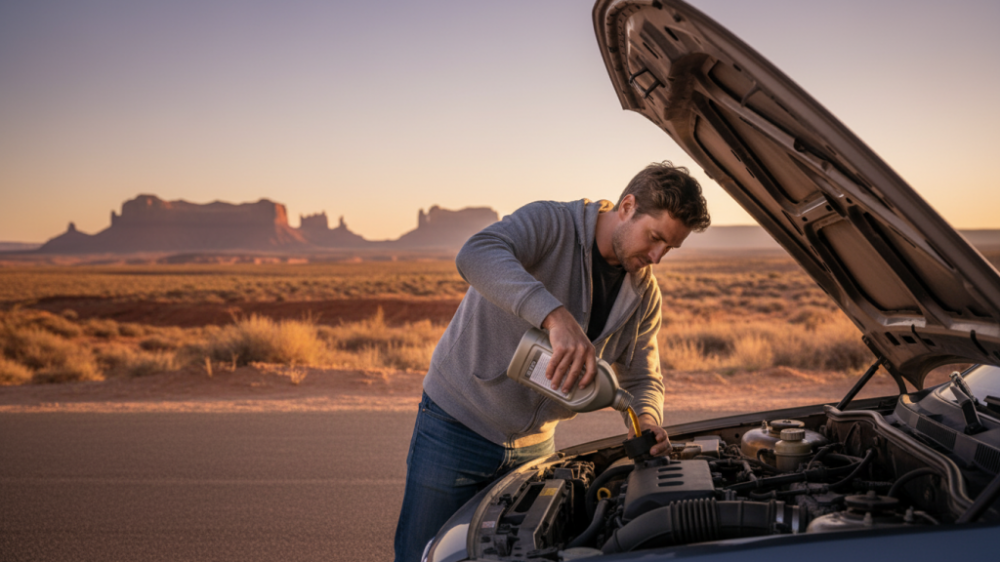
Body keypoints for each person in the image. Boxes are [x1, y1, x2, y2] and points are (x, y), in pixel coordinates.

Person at [393, 161, 711, 561]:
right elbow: (475, 253)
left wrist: (647, 420)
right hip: (457, 426)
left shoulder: (645, 295)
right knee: (421, 555)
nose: (659, 256)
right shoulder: (553, 223)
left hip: (536, 448)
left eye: (670, 247)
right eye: (655, 238)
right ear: (627, 206)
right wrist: (553, 315)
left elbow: (644, 376)